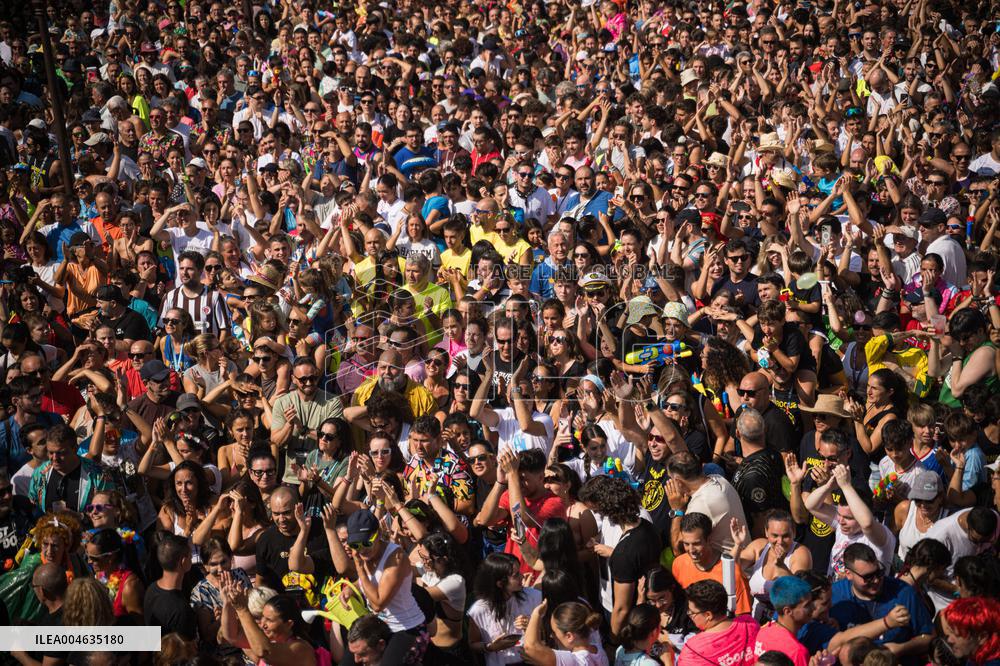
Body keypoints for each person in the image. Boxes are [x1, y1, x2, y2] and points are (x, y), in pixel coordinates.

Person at [829, 544, 933, 665]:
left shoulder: (903, 592)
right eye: (868, 577)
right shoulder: (835, 596)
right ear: (848, 574)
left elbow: (928, 637)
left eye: (879, 572)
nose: (876, 580)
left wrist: (902, 648)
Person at [672, 512, 752, 615]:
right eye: (686, 544)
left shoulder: (732, 573)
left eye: (696, 544)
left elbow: (743, 619)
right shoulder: (679, 564)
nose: (691, 550)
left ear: (709, 540)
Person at [677, 580, 759, 666]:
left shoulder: (692, 650)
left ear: (708, 615)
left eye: (692, 612)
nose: (689, 615)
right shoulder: (749, 623)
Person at [144, 533, 198, 640]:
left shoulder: (151, 589)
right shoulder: (182, 611)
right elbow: (188, 650)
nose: (192, 559)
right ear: (183, 562)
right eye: (190, 556)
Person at [753, 576, 813, 666]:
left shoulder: (763, 631)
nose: (813, 607)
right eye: (807, 605)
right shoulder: (797, 652)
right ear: (788, 611)